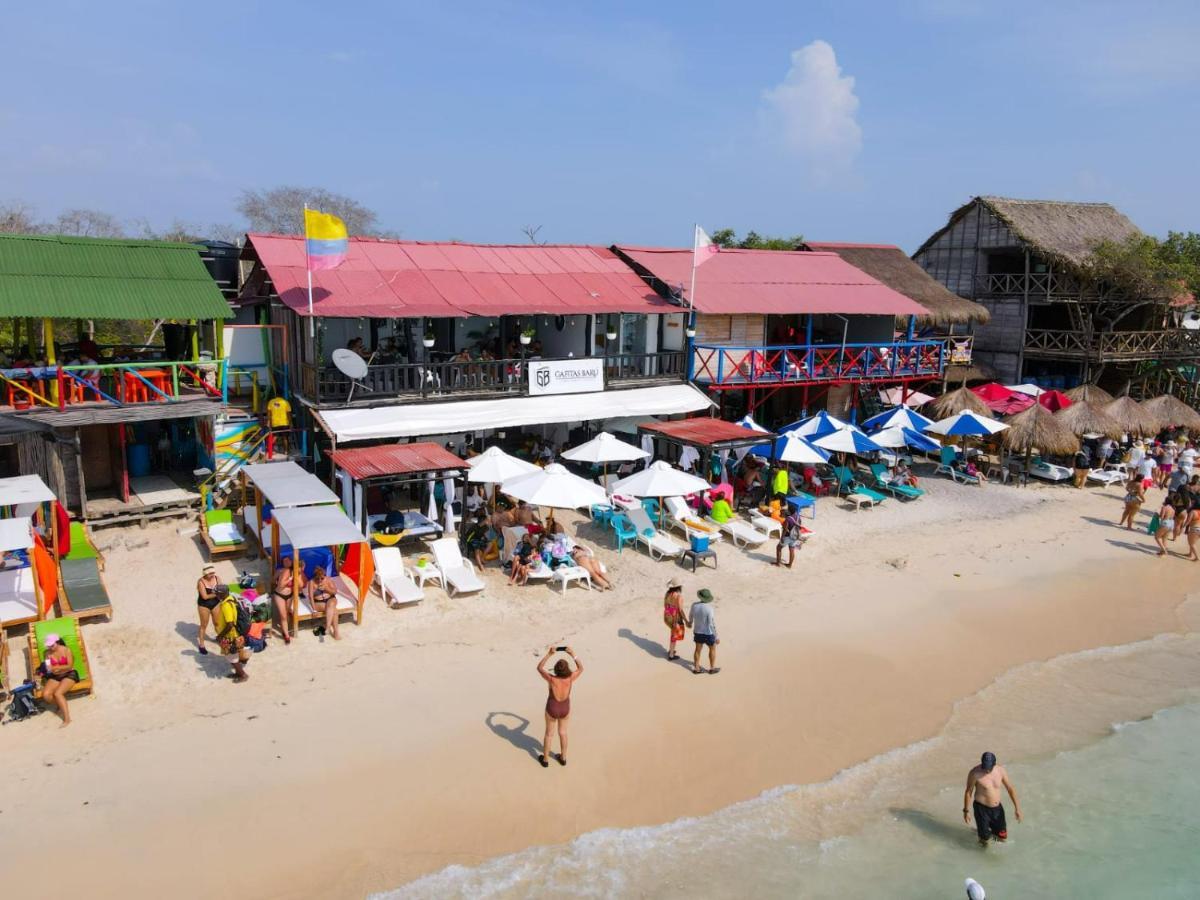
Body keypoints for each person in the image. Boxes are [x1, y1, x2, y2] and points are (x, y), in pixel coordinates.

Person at [536, 644, 583, 768]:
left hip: (552, 708)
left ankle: (545, 760)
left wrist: (549, 654)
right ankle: (563, 758)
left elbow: (539, 667)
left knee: (549, 734)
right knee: (563, 733)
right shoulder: (571, 677)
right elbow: (581, 668)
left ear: (555, 670)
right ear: (567, 669)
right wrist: (572, 653)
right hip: (564, 709)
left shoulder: (551, 679)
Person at [963, 751, 1022, 846]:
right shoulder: (975, 773)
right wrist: (966, 811)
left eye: (989, 767)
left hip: (997, 809)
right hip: (981, 809)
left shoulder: (1000, 771)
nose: (987, 770)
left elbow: (1010, 789)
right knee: (984, 841)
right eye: (985, 767)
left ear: (994, 764)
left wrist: (1017, 808)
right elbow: (968, 792)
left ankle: (981, 829)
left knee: (1001, 839)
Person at [39, 632, 79, 726]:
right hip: (55, 676)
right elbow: (49, 668)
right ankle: (60, 705)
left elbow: (70, 666)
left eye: (52, 645)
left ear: (57, 642)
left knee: (57, 693)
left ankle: (67, 719)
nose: (50, 647)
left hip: (69, 674)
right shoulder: (47, 653)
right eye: (48, 646)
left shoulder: (66, 650)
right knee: (46, 695)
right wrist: (52, 669)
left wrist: (58, 668)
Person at [212, 585, 250, 682]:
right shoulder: (230, 598)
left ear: (220, 594)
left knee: (231, 656)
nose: (215, 595)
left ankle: (243, 675)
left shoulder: (226, 606)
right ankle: (238, 673)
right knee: (233, 655)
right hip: (234, 633)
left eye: (216, 593)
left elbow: (230, 624)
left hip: (229, 635)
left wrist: (220, 636)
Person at [272, 556, 305, 645]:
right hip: (279, 595)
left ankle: (284, 629)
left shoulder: (297, 573)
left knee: (286, 614)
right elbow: (280, 585)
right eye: (300, 569)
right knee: (283, 616)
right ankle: (286, 635)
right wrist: (290, 579)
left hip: (289, 595)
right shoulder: (286, 571)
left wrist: (297, 576)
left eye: (301, 570)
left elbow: (301, 585)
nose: (300, 571)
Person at [688, 588, 720, 674]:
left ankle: (696, 668)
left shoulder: (694, 605)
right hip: (708, 633)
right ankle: (712, 668)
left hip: (697, 632)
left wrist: (690, 623)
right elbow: (711, 624)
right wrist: (716, 636)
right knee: (712, 648)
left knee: (698, 650)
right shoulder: (709, 608)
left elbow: (690, 615)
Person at [306, 566, 341, 640]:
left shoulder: (328, 579)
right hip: (318, 602)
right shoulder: (311, 582)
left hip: (330, 598)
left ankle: (327, 627)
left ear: (324, 576)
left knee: (331, 604)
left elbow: (335, 592)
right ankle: (336, 632)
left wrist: (326, 588)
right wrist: (314, 610)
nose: (319, 580)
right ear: (314, 576)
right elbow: (311, 597)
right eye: (317, 578)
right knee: (334, 610)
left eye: (322, 578)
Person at [195, 564, 221, 654]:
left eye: (213, 572)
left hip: (215, 603)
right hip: (204, 605)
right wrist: (217, 594)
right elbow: (205, 597)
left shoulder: (217, 578)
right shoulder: (201, 582)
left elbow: (221, 588)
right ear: (205, 574)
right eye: (210, 573)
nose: (212, 574)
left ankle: (220, 638)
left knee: (217, 623)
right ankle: (201, 644)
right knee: (203, 625)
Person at [662, 578, 687, 660]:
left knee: (672, 633)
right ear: (679, 587)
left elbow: (665, 605)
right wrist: (686, 621)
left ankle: (671, 650)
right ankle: (671, 655)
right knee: (674, 636)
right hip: (674, 618)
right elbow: (680, 610)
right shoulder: (678, 597)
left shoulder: (668, 594)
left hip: (667, 616)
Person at [775, 503, 805, 568]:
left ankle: (778, 563)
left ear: (789, 511)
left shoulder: (788, 519)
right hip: (795, 536)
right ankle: (789, 565)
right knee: (791, 549)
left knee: (778, 548)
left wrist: (782, 538)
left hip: (787, 536)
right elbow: (799, 526)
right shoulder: (798, 517)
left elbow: (785, 529)